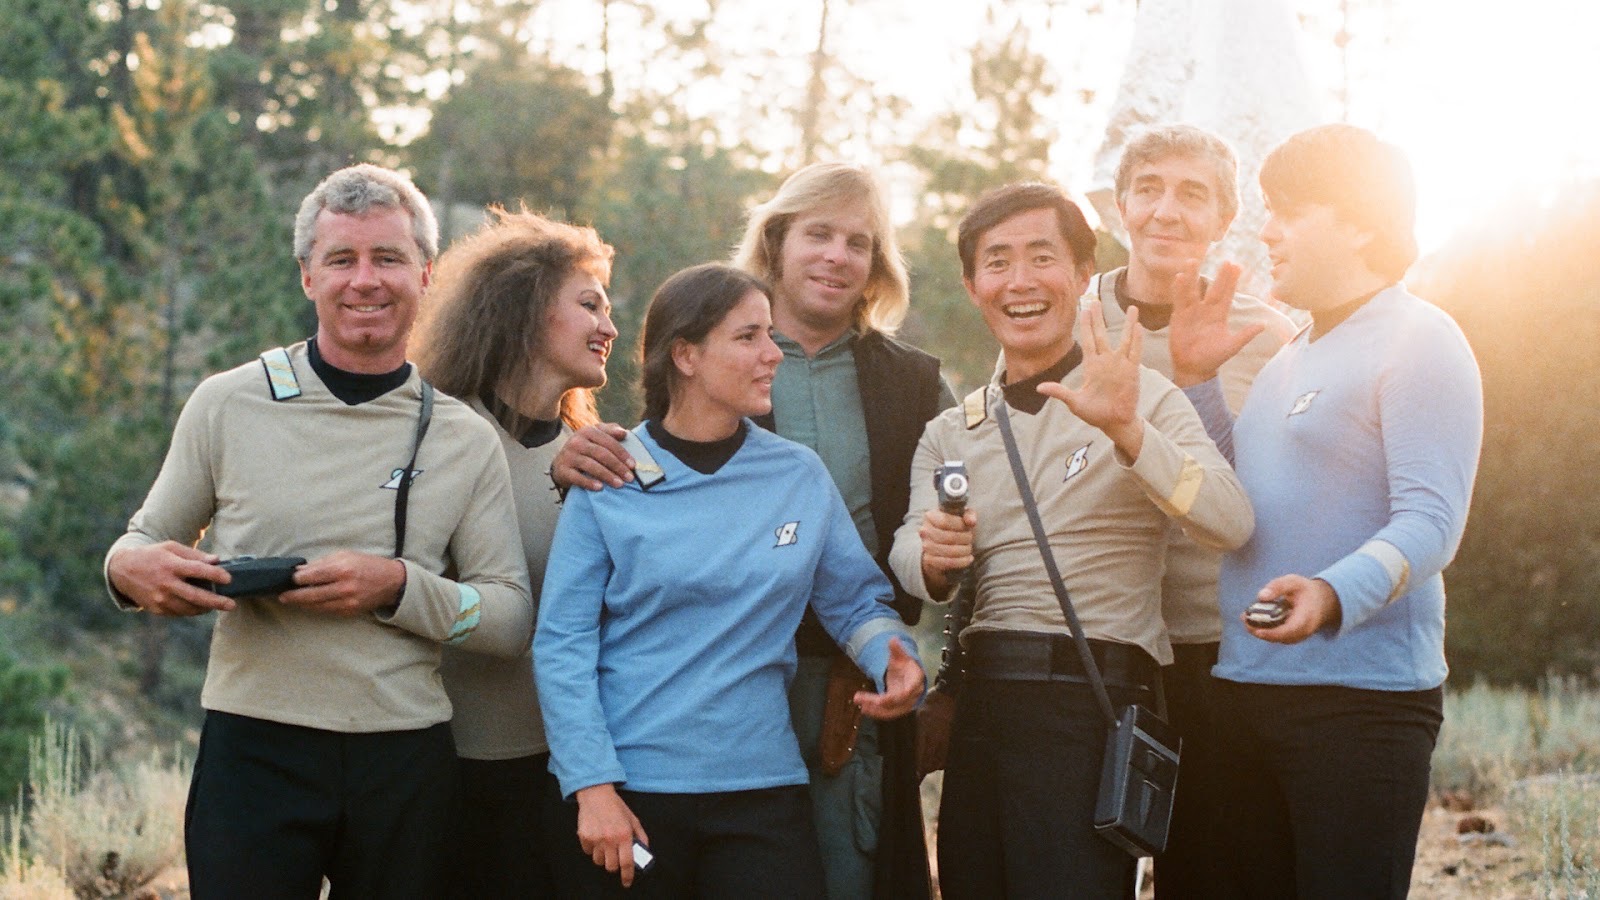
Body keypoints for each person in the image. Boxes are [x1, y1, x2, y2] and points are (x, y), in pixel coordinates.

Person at [102, 164, 532, 898]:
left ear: (425, 275)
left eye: (388, 258)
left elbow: (509, 616)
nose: (365, 280)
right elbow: (140, 541)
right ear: (308, 277)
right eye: (341, 259)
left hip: (405, 760)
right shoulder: (227, 403)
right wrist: (126, 571)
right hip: (254, 752)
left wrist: (397, 588)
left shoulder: (464, 437)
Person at [554, 162, 950, 899]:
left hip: (766, 786)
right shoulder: (610, 476)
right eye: (750, 338)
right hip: (637, 790)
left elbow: (855, 599)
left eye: (770, 336)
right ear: (686, 355)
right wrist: (591, 784)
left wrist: (895, 658)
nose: (773, 355)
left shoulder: (798, 473)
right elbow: (564, 644)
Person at [888, 182, 1253, 899]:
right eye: (997, 262)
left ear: (1085, 274)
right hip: (984, 706)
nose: (1020, 281)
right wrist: (931, 557)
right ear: (972, 286)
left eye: (1042, 257)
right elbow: (907, 546)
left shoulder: (1143, 395)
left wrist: (1129, 433)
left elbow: (1230, 519)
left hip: (1093, 700)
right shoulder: (953, 429)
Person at [1169, 124, 1483, 898]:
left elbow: (1432, 521)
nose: (1267, 232)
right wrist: (1198, 381)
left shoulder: (1422, 338)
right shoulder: (1293, 353)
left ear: (1361, 222)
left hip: (1360, 706)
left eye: (1289, 211)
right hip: (1243, 691)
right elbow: (1240, 497)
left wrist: (1334, 592)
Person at [1085, 123, 1295, 897]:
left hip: (1213, 646)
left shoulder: (1267, 338)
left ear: (1224, 217)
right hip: (1099, 640)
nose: (1166, 211)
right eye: (1149, 189)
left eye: (1192, 194)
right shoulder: (1069, 321)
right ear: (1120, 206)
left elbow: (1276, 497)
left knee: (1208, 868)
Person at [411, 207, 618, 898]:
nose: (610, 328)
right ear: (525, 310)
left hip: (564, 780)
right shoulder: (436, 435)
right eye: (589, 305)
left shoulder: (595, 460)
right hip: (443, 771)